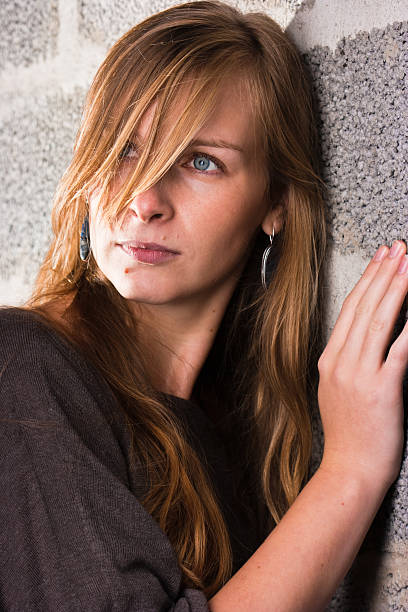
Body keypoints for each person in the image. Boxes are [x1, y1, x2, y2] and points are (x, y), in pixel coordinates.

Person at [0, 1, 407, 610]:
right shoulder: (23, 370)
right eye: (125, 148)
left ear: (276, 204)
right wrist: (351, 470)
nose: (145, 200)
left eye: (200, 161)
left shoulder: (244, 434)